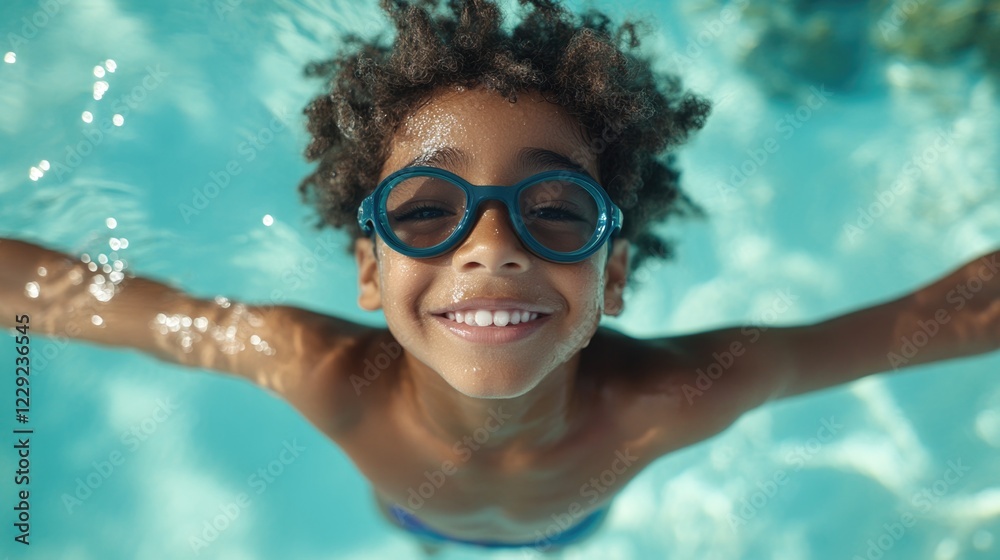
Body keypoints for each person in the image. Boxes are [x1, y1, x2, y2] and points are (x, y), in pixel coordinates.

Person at [2, 0, 999, 554]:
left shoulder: (679, 395)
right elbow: (62, 297)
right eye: (427, 212)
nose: (488, 245)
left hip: (575, 518)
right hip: (414, 511)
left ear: (613, 275)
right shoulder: (309, 365)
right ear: (366, 268)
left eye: (554, 211)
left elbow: (934, 318)